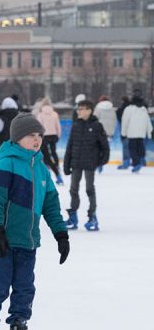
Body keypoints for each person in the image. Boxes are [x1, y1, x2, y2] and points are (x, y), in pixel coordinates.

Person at [0, 114, 69, 330]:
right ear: (17, 138)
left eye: (39, 135)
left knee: (25, 289)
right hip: (3, 241)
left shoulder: (41, 169)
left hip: (28, 242)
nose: (37, 140)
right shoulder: (4, 166)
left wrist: (60, 234)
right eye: (31, 135)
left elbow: (51, 204)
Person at [62, 99, 110, 231]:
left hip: (90, 163)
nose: (79, 111)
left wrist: (101, 161)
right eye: (78, 109)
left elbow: (105, 146)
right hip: (76, 163)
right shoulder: (75, 125)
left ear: (89, 110)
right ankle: (73, 217)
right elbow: (70, 146)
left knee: (89, 189)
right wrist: (66, 164)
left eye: (81, 109)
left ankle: (92, 216)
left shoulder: (97, 126)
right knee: (73, 189)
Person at [33, 97, 62, 185]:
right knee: (53, 152)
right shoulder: (54, 114)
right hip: (53, 135)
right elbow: (58, 126)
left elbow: (38, 127)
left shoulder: (40, 114)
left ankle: (44, 177)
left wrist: (37, 138)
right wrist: (58, 135)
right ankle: (57, 171)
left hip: (44, 136)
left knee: (44, 157)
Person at [120, 94, 151, 172]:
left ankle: (136, 164)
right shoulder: (143, 109)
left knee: (132, 149)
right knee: (140, 147)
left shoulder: (128, 109)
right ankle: (141, 161)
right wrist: (149, 133)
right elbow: (148, 122)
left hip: (132, 133)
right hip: (141, 133)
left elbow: (125, 121)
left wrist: (123, 133)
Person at [94, 96, 117, 173]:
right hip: (109, 132)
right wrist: (112, 132)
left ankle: (98, 163)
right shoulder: (112, 109)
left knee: (97, 148)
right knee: (105, 149)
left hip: (99, 132)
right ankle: (101, 163)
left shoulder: (98, 108)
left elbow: (94, 119)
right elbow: (114, 120)